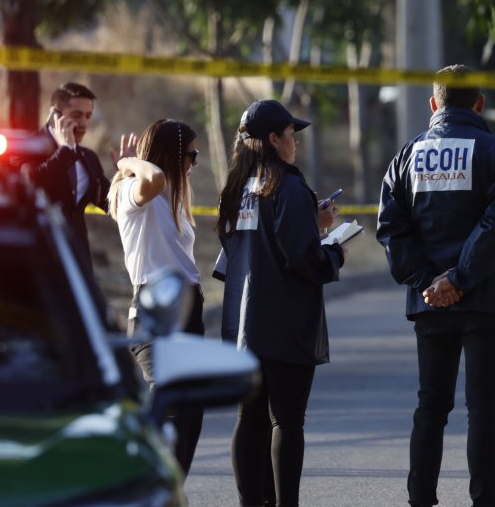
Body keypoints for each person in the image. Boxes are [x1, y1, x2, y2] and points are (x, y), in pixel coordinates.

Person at [376, 64, 495, 507]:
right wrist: (459, 278)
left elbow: (391, 228)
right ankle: (484, 501)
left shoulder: (406, 155)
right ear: (479, 103)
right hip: (487, 299)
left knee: (430, 407)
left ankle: (420, 499)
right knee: (483, 409)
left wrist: (428, 282)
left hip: (430, 305)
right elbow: (494, 224)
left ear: (433, 104)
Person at [218, 99, 344, 507]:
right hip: (286, 321)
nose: (295, 143)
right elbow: (302, 258)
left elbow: (239, 247)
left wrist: (311, 219)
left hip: (244, 323)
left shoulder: (237, 187)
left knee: (249, 420)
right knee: (287, 421)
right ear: (274, 139)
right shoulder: (286, 183)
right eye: (291, 135)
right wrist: (335, 250)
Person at [106, 118, 204, 477]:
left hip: (189, 311)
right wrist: (125, 162)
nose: (195, 164)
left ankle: (170, 494)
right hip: (155, 314)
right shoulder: (134, 191)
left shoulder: (170, 200)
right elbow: (154, 178)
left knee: (191, 418)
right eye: (192, 155)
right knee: (174, 415)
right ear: (173, 155)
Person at [32, 82, 118, 274]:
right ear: (55, 115)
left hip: (77, 263)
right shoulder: (30, 147)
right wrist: (65, 151)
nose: (84, 124)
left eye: (88, 116)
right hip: (40, 260)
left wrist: (127, 174)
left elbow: (112, 204)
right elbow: (32, 184)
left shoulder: (88, 157)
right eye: (76, 115)